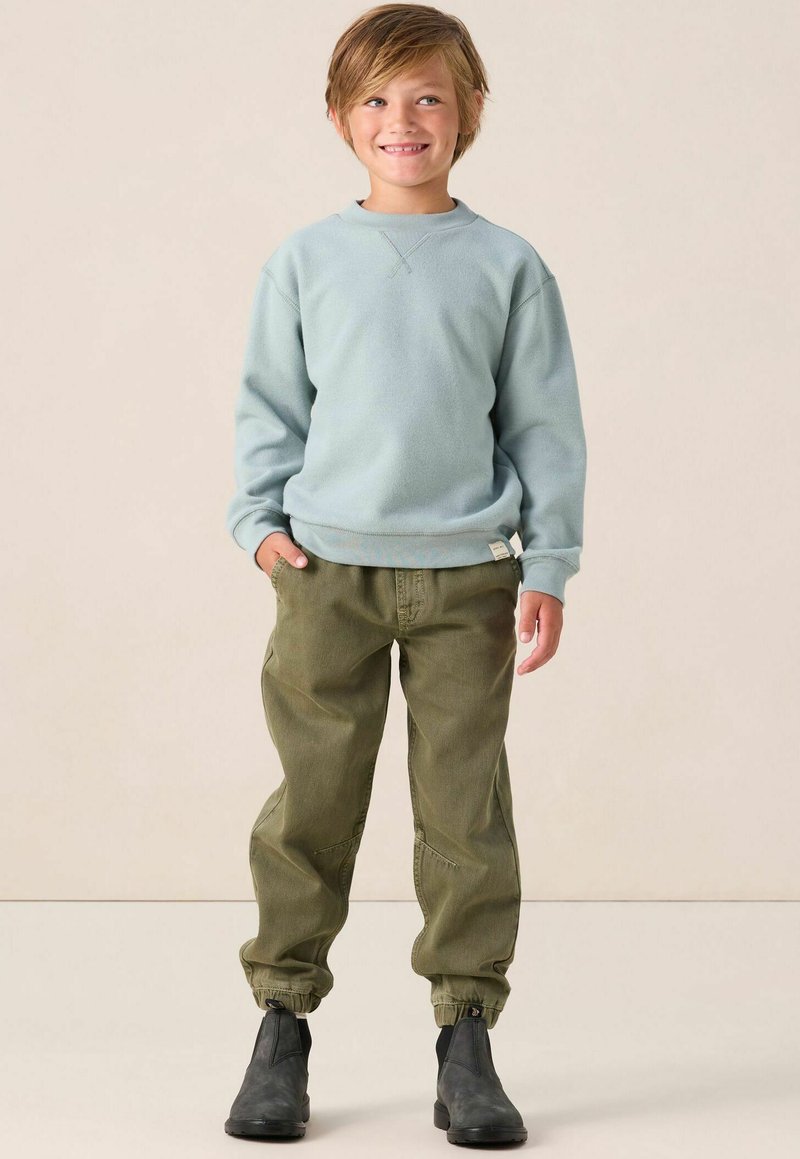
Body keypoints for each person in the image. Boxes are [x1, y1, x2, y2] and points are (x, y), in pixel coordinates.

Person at [223, 3, 587, 1145]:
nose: (403, 119)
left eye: (428, 96)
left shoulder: (507, 264)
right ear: (341, 117)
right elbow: (271, 405)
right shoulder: (305, 259)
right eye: (377, 98)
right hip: (326, 573)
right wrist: (258, 524)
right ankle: (282, 1022)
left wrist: (550, 561)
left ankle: (465, 1036)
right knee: (312, 800)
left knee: (464, 809)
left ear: (468, 111)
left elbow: (542, 425)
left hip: (469, 577)